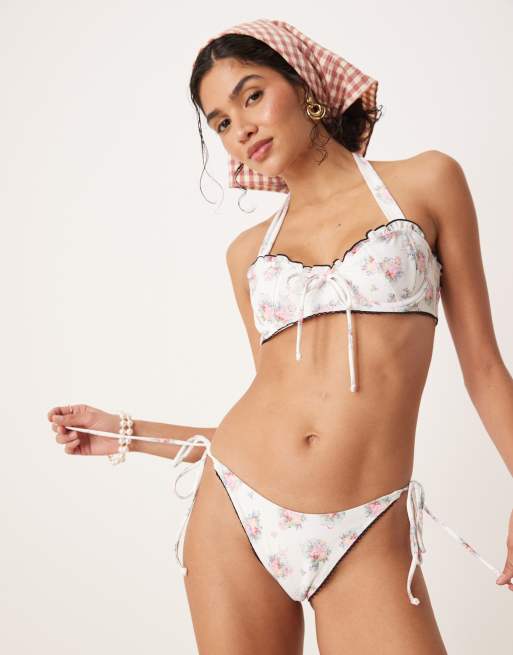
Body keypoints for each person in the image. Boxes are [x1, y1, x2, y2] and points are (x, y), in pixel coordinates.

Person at [48, 18, 513, 655]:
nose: (240, 127)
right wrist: (127, 432)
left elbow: (484, 367)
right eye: (220, 121)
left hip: (366, 528)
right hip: (235, 514)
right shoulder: (249, 254)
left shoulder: (428, 183)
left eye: (252, 95)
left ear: (304, 86)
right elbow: (280, 408)